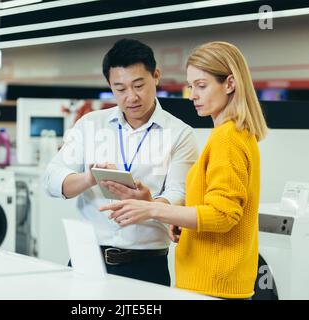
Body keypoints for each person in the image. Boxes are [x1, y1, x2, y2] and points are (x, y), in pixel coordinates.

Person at [100, 41, 268, 299]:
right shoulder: (238, 134)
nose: (194, 95)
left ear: (230, 84)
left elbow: (223, 215)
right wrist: (179, 219)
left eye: (202, 86)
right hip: (221, 281)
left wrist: (153, 208)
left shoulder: (227, 138)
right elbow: (216, 206)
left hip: (212, 284)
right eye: (191, 87)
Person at [43, 38, 199, 286]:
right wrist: (89, 178)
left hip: (147, 265)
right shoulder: (90, 125)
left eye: (139, 85)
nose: (131, 97)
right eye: (120, 88)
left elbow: (180, 194)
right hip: (87, 259)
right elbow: (51, 179)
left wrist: (148, 203)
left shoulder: (180, 133)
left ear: (156, 76)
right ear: (110, 85)